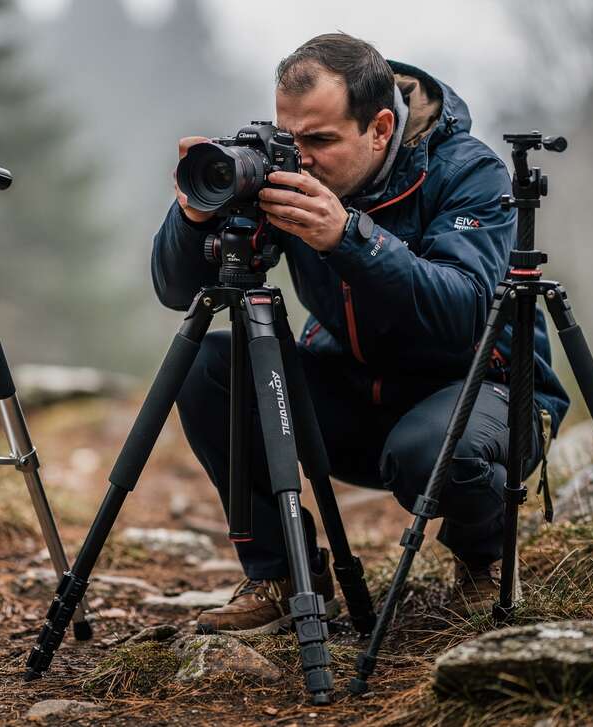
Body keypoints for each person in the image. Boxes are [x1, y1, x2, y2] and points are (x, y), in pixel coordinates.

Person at [151, 32, 570, 635]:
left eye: (320, 140)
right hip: (354, 396)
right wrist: (194, 214)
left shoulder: (469, 171)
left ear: (378, 128)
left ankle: (483, 556)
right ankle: (284, 573)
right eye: (289, 136)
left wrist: (349, 236)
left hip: (481, 393)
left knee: (432, 451)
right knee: (209, 366)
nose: (302, 158)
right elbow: (176, 291)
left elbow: (464, 315)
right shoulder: (287, 169)